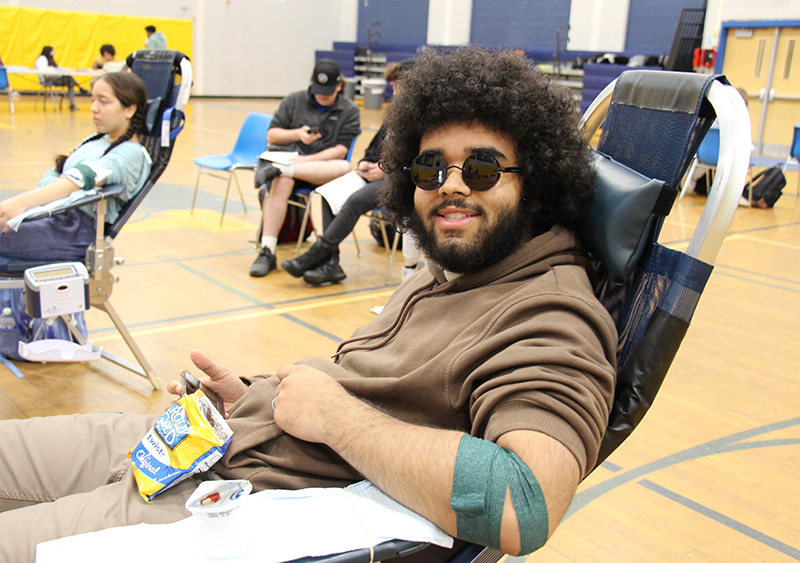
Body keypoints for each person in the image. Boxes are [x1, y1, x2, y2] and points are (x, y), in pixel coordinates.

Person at [0, 47, 616, 562]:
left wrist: (336, 418)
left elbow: (524, 505)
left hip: (232, 498)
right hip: (211, 440)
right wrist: (252, 396)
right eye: (430, 168)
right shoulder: (460, 270)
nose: (451, 185)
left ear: (535, 184)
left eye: (482, 169)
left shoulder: (549, 314)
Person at [280, 59, 414, 285]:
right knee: (328, 194)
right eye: (393, 86)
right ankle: (330, 264)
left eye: (398, 87)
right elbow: (374, 147)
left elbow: (415, 161)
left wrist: (384, 172)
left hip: (399, 180)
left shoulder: (420, 119)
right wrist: (365, 163)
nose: (394, 92)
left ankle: (315, 255)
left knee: (353, 201)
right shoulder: (394, 114)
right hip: (372, 174)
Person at [0, 72, 151, 262]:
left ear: (129, 110)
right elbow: (59, 173)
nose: (93, 108)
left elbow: (83, 176)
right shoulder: (96, 139)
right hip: (54, 213)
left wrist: (24, 201)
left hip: (75, 230)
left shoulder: (132, 153)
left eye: (103, 102)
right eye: (93, 99)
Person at [249, 58, 360, 278]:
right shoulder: (293, 100)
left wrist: (301, 163)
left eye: (328, 91)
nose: (323, 95)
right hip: (289, 161)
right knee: (281, 184)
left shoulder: (350, 110)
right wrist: (297, 134)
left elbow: (340, 149)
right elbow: (272, 135)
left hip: (319, 169)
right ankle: (267, 251)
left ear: (339, 86)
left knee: (344, 166)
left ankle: (282, 169)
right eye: (319, 90)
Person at [34, 46, 88, 111]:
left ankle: (72, 103)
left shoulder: (50, 59)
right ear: (49, 51)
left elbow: (55, 69)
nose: (54, 52)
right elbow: (44, 71)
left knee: (70, 82)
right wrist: (56, 71)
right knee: (69, 79)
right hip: (49, 80)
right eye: (53, 51)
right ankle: (79, 88)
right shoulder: (42, 59)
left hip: (55, 78)